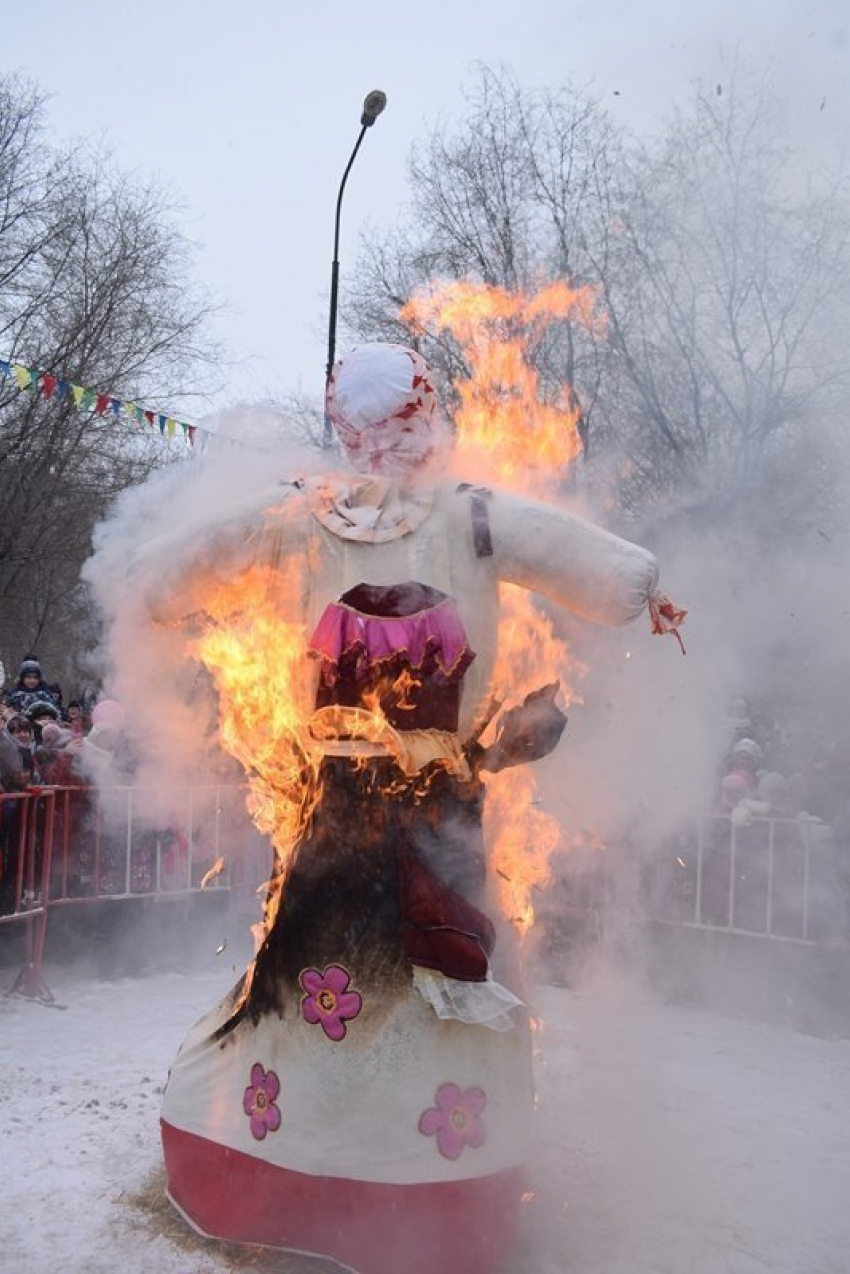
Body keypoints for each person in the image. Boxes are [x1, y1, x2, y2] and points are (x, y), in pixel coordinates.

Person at [126, 342, 683, 1274]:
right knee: (427, 990)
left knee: (348, 991)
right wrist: (646, 589)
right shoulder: (464, 516)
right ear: (423, 418)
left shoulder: (311, 515)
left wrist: (639, 587)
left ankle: (313, 1177)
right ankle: (401, 1193)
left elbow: (167, 575)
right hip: (417, 811)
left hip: (372, 810)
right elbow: (604, 570)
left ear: (347, 428)